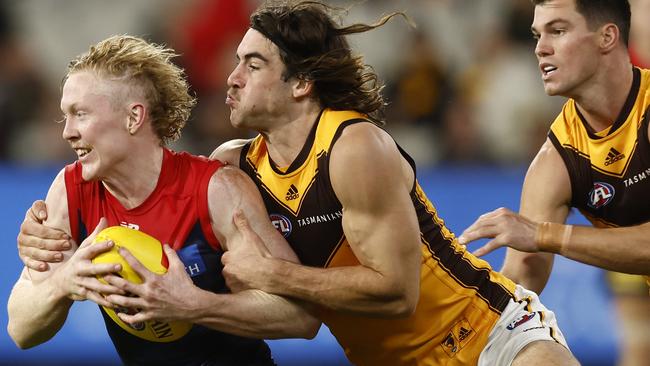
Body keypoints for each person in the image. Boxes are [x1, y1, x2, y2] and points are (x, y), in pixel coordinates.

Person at [15, 2, 579, 365]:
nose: (230, 79)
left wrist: (268, 275)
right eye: (235, 62)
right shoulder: (233, 167)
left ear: (302, 82)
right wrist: (47, 252)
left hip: (490, 336)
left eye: (253, 65)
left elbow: (397, 293)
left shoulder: (353, 146)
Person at [7, 34, 320, 366]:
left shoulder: (215, 189)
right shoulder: (72, 189)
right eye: (64, 116)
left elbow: (301, 317)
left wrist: (194, 304)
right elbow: (21, 330)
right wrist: (62, 282)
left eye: (80, 114)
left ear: (133, 117)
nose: (67, 131)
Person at [457, 0, 650, 364]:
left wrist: (546, 234)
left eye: (557, 31)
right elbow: (518, 285)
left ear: (607, 37)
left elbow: (538, 236)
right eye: (537, 34)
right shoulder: (556, 160)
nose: (540, 48)